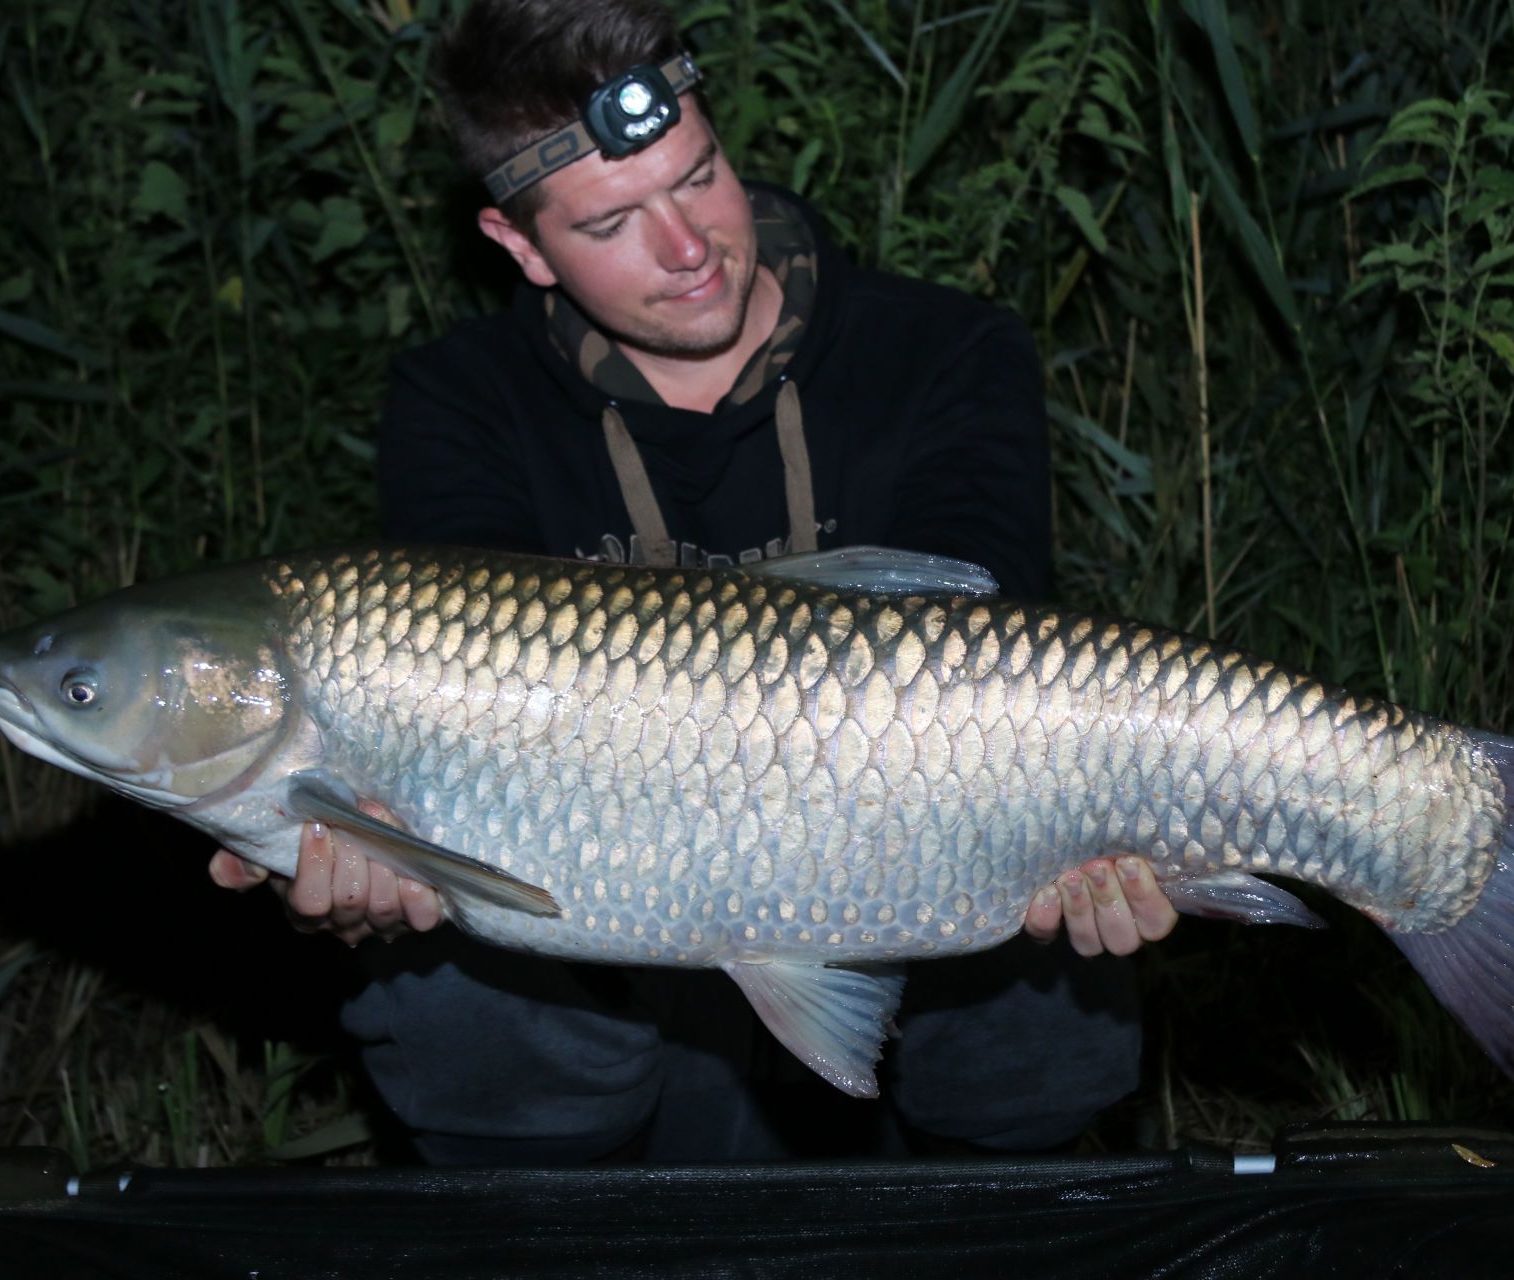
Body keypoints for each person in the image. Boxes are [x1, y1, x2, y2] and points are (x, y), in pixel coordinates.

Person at [211, 0, 1178, 1163]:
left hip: (917, 860)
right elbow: (430, 724)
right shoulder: (460, 400)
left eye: (701, 175)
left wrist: (1100, 830)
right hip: (599, 916)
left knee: (1048, 1016)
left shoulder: (944, 350)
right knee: (450, 1005)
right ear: (520, 248)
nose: (689, 247)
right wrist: (371, 851)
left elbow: (986, 649)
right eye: (614, 221)